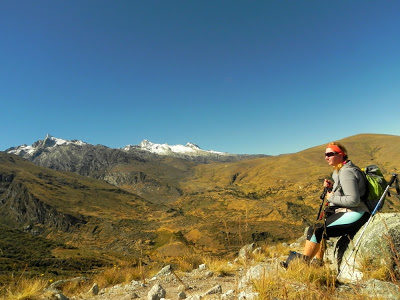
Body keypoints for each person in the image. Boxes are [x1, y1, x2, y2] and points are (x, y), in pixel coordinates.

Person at [282, 142, 370, 268]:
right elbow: (344, 190)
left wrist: (332, 197)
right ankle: (317, 263)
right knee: (318, 226)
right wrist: (332, 187)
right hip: (347, 211)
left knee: (316, 229)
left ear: (341, 155)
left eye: (330, 154)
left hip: (356, 212)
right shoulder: (340, 170)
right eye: (325, 154)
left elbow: (353, 200)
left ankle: (302, 265)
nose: (326, 157)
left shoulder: (347, 172)